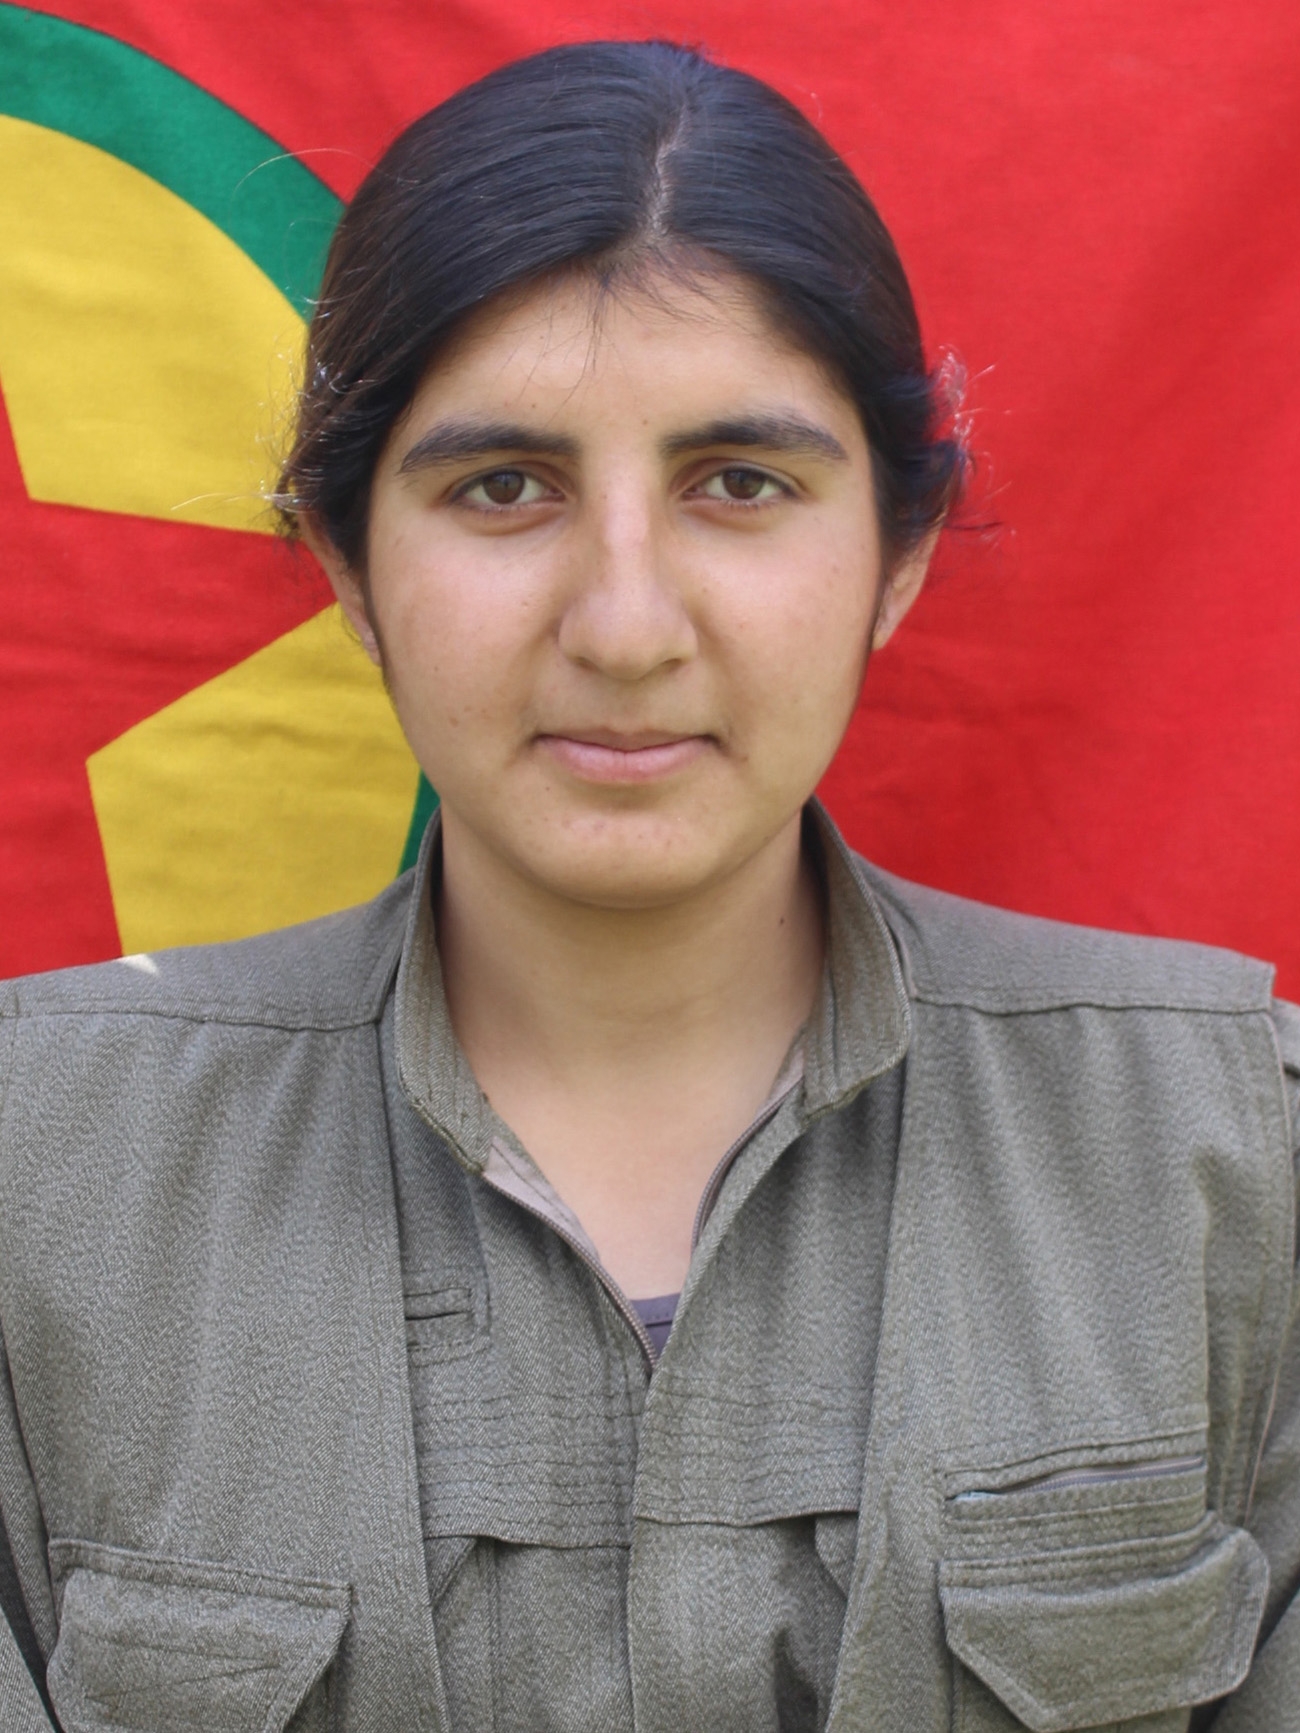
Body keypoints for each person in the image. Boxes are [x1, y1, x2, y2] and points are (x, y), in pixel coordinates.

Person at [0, 38, 1296, 1733]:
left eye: (739, 484)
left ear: (898, 557)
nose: (624, 624)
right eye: (505, 487)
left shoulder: (1232, 1168)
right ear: (349, 565)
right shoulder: (40, 1175)